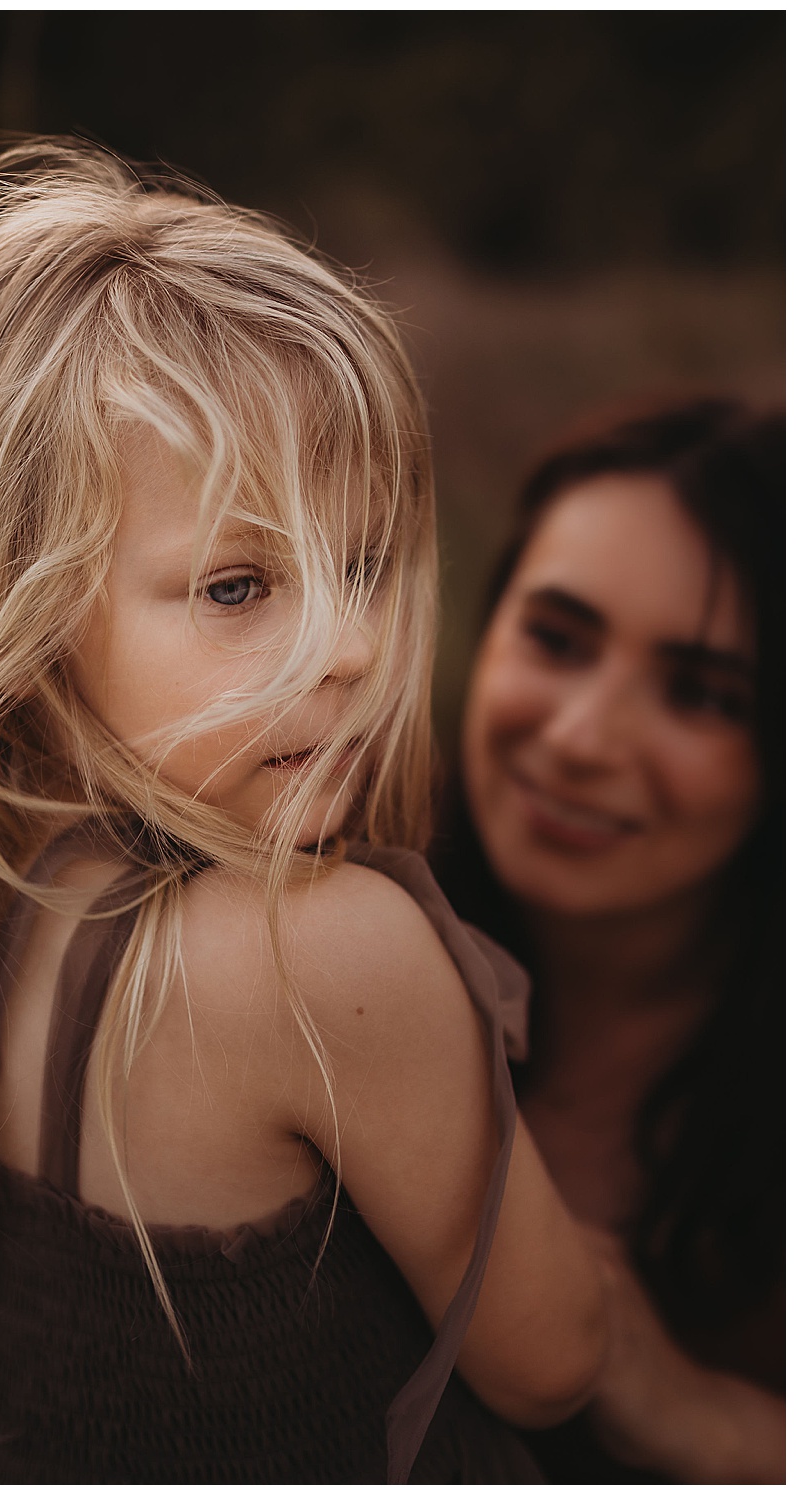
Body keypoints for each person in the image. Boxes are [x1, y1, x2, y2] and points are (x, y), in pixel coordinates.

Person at [0, 139, 616, 1482]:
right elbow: (553, 1362)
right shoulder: (317, 949)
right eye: (236, 585)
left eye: (364, 560)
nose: (351, 648)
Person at [435, 399, 784, 1481]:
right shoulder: (328, 932)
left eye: (700, 693)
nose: (581, 739)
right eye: (555, 636)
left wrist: (696, 1413)